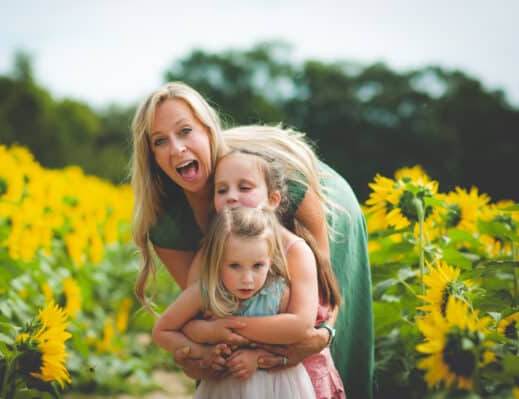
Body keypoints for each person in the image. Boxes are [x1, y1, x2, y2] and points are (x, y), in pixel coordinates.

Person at [130, 82, 373, 398]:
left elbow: (322, 301)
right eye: (160, 141)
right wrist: (200, 356)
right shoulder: (168, 223)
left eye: (185, 131)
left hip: (330, 211)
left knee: (326, 357)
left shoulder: (276, 185)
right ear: (152, 156)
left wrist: (319, 337)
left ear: (209, 131)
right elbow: (205, 309)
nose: (176, 148)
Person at [153, 206, 316, 399]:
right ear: (217, 260)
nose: (247, 279)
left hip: (277, 387)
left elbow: (293, 343)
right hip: (225, 389)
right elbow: (162, 331)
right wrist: (203, 352)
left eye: (258, 266)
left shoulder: (279, 294)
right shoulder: (205, 292)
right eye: (234, 266)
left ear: (270, 260)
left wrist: (257, 358)